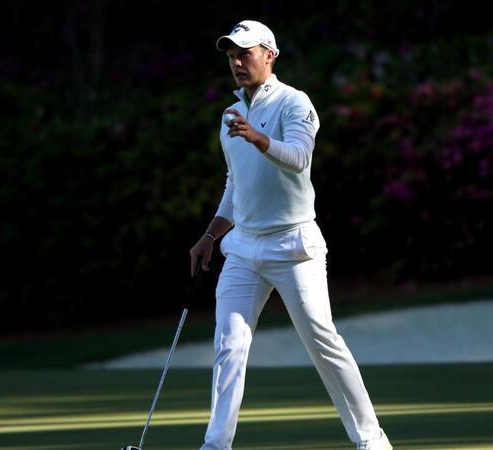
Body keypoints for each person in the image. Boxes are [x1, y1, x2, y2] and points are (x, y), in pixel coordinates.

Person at [189, 19, 392, 450]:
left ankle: (372, 440)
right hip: (243, 247)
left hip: (293, 245)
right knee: (228, 346)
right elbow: (235, 184)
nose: (238, 63)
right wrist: (210, 235)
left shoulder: (295, 103)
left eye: (245, 53)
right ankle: (216, 445)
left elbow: (299, 158)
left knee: (322, 341)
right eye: (231, 56)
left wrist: (257, 138)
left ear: (270, 54)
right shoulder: (232, 114)